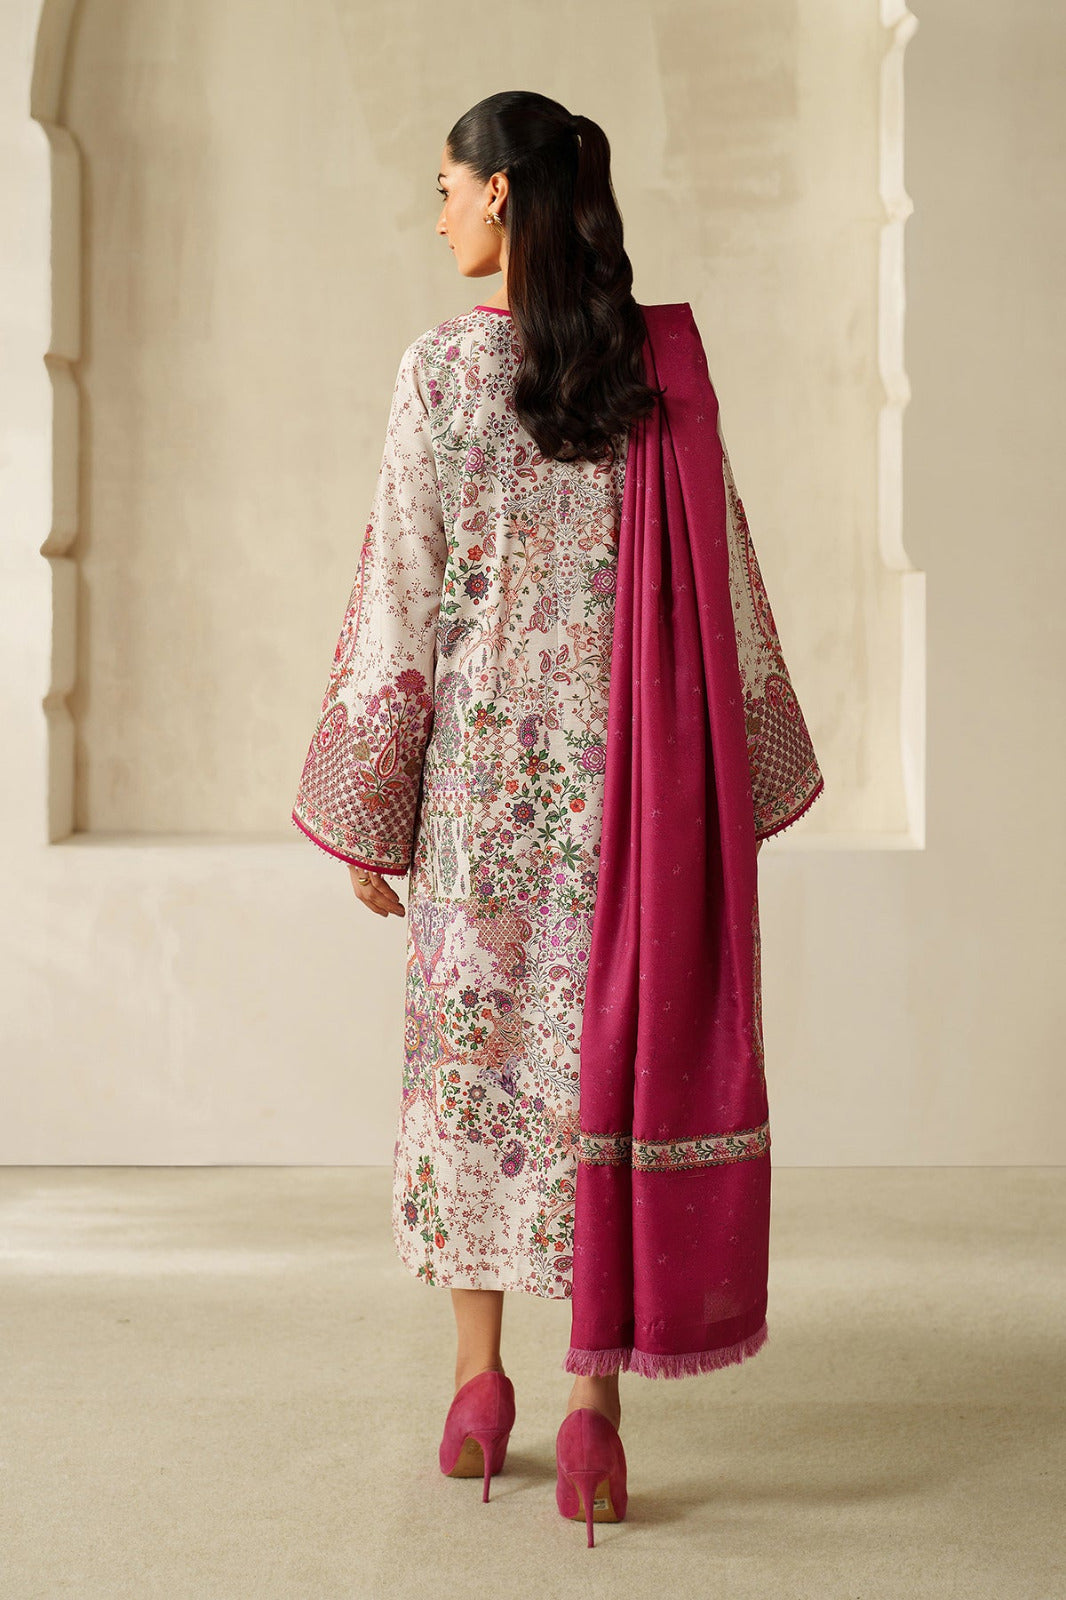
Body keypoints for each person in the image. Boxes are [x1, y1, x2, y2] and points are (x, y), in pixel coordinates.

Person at [292, 91, 824, 1546]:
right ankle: (594, 1416)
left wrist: (373, 812)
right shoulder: (649, 372)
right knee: (598, 1086)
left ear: (500, 195)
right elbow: (721, 582)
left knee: (471, 1083)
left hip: (477, 801)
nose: (437, 216)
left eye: (446, 187)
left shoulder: (438, 371)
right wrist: (736, 785)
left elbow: (398, 594)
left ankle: (479, 1390)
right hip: (626, 804)